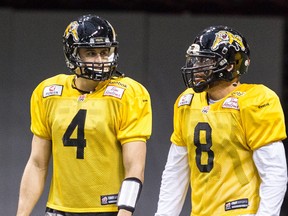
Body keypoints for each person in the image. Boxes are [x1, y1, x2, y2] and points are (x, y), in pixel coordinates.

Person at [16, 14, 152, 216]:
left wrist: (125, 212)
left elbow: (135, 168)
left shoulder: (129, 93)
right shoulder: (48, 92)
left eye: (105, 52)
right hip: (58, 209)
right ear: (73, 54)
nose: (99, 60)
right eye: (90, 53)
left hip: (107, 209)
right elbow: (37, 164)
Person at [154, 25, 287, 216]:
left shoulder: (256, 100)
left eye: (205, 60)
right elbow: (175, 171)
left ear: (230, 65)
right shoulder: (187, 101)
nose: (196, 67)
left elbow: (274, 173)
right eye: (196, 60)